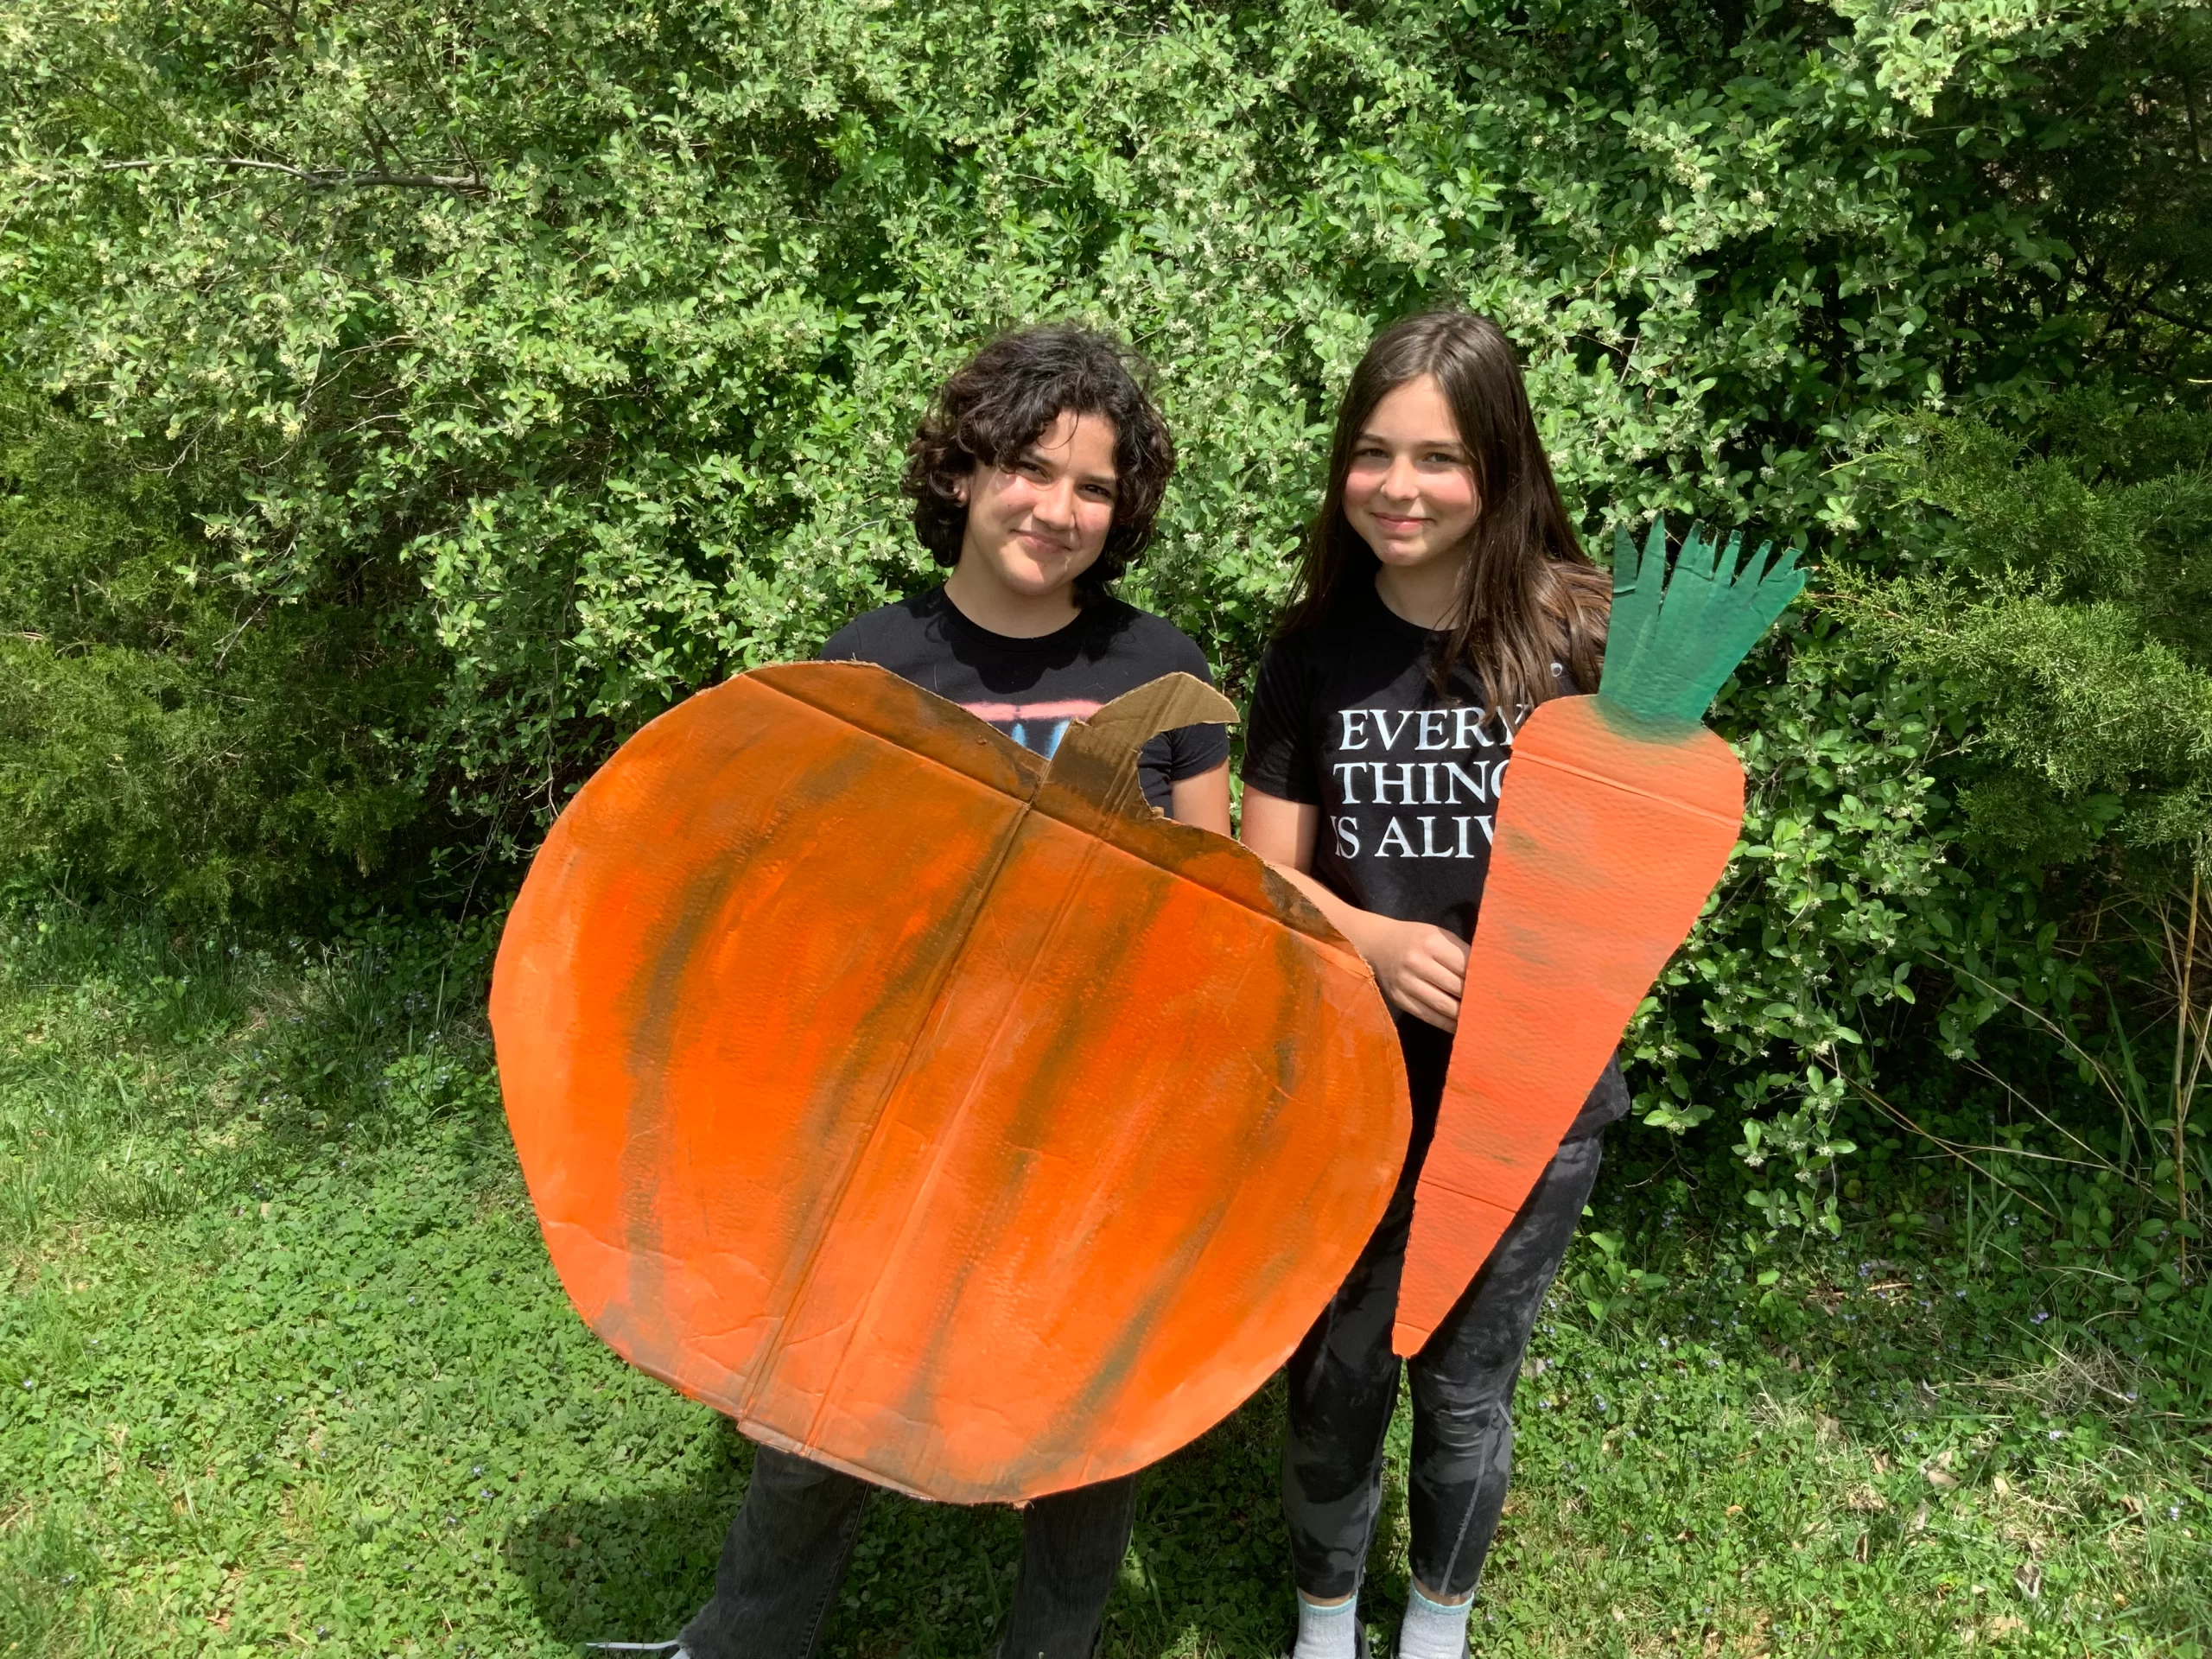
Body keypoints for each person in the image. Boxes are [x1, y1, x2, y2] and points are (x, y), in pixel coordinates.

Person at [645, 324, 1230, 1659]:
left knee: (1089, 1404)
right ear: (964, 472)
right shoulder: (869, 662)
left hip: (1094, 1113)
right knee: (826, 1382)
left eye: (1094, 486)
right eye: (1031, 467)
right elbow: (805, 903)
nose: (1059, 508)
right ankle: (745, 1640)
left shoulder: (1166, 672)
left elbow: (1220, 916)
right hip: (890, 1101)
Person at [1236, 310, 1627, 1659]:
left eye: (1440, 458)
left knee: (1468, 1387)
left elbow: (1652, 857)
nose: (1399, 486)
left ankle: (1437, 1630)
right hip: (1347, 1092)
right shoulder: (1310, 652)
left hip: (1536, 1103)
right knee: (1337, 1380)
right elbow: (1264, 882)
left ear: (1502, 468)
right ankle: (1327, 1622)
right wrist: (1375, 942)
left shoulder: (1587, 635)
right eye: (1373, 452)